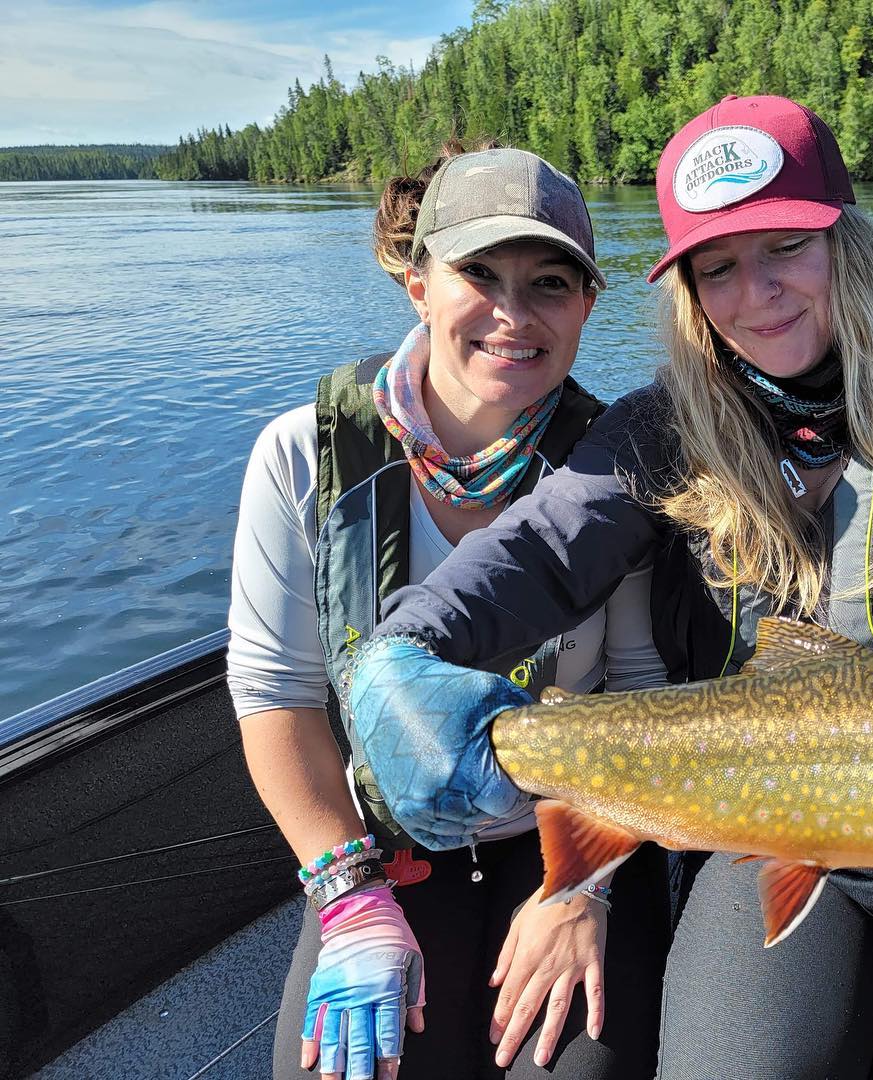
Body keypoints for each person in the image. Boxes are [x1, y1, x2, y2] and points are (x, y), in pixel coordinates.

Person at [348, 97, 873, 1078]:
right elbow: (540, 557)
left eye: (784, 248)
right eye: (716, 267)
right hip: (758, 820)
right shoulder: (660, 430)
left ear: (846, 242)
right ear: (687, 289)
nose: (756, 294)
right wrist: (405, 647)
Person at [225, 143, 670, 1080]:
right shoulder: (301, 456)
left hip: (572, 833)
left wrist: (580, 887)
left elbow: (637, 689)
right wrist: (349, 900)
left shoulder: (618, 467)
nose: (513, 315)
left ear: (589, 306)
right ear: (418, 283)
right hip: (382, 847)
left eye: (551, 283)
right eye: (479, 274)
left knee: (574, 1062)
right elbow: (277, 695)